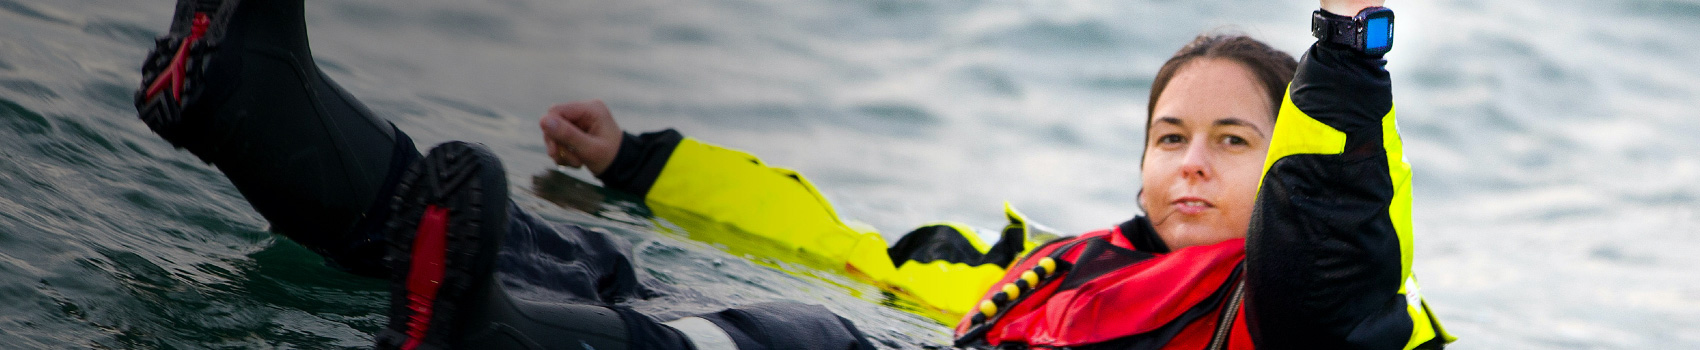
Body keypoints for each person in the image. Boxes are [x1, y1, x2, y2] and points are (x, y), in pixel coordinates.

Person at [131, 0, 1453, 349]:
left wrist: (1346, 47)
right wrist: (644, 162)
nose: (1192, 164)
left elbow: (1336, 223)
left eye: (1236, 141)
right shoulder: (1062, 279)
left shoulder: (1309, 314)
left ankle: (478, 325)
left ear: (1283, 165)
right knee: (583, 258)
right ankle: (258, 99)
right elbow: (839, 239)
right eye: (1173, 134)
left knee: (796, 338)